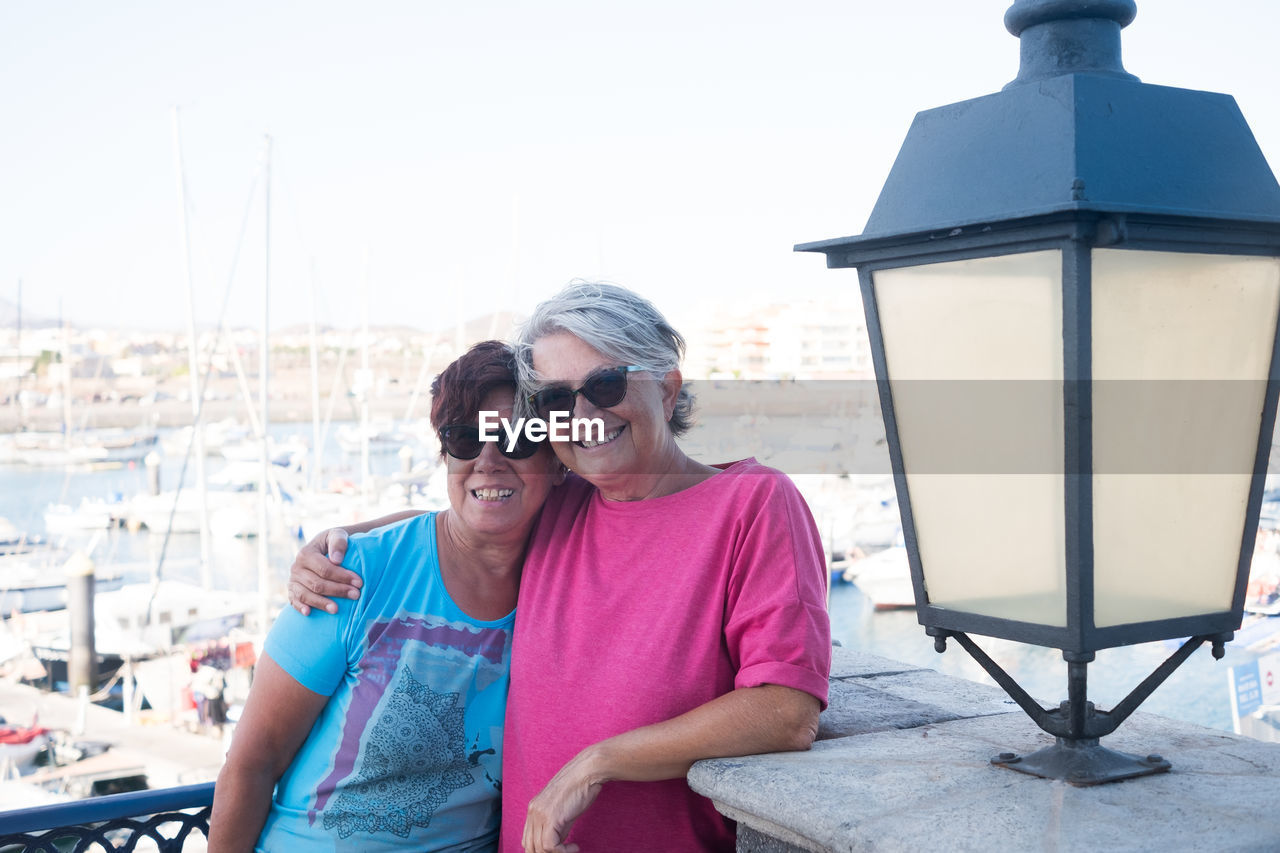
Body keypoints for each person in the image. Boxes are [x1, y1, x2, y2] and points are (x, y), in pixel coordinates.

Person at [289, 283, 832, 853]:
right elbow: (463, 517)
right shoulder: (563, 502)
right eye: (554, 401)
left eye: (605, 384)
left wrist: (597, 763)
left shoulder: (753, 503)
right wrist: (343, 540)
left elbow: (785, 707)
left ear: (668, 390)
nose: (582, 415)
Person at [208, 341, 565, 852]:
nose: (488, 461)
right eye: (465, 439)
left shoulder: (570, 571)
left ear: (557, 459)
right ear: (445, 455)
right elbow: (252, 761)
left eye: (515, 440)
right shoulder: (352, 575)